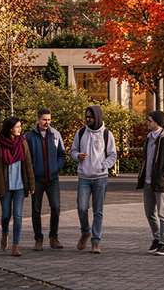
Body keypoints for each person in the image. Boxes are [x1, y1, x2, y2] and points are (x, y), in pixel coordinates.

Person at [70, 104, 117, 253]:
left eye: (91, 117)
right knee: (82, 208)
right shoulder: (81, 132)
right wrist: (77, 156)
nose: (88, 119)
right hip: (84, 177)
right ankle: (85, 231)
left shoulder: (107, 134)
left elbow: (112, 154)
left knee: (98, 211)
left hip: (100, 178)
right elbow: (73, 150)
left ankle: (96, 241)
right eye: (86, 117)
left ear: (97, 117)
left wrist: (105, 165)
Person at [135, 109, 164, 255]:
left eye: (149, 120)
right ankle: (156, 238)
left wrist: (163, 174)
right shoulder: (149, 137)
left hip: (162, 183)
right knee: (149, 213)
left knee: (163, 213)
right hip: (148, 182)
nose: (147, 123)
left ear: (157, 122)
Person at [25, 108, 66, 250]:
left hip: (52, 179)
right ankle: (38, 239)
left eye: (49, 119)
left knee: (56, 207)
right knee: (36, 209)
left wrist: (57, 167)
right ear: (38, 119)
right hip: (37, 179)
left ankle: (53, 237)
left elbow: (62, 154)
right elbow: (26, 158)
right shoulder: (29, 136)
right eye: (44, 119)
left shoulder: (55, 134)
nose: (47, 122)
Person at [0, 116, 35, 257]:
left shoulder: (22, 142)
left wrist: (31, 184)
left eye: (20, 126)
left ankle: (15, 245)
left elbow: (28, 164)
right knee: (6, 215)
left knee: (18, 215)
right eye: (17, 127)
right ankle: (5, 233)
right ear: (10, 128)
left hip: (19, 185)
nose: (20, 129)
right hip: (5, 186)